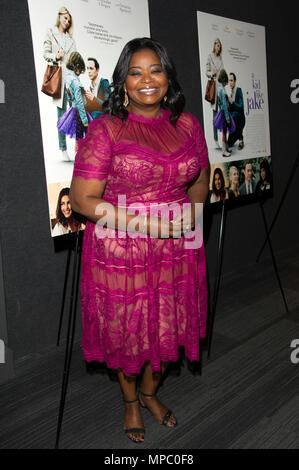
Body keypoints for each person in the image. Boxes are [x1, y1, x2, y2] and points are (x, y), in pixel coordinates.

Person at [70, 37, 209, 444]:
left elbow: (200, 179)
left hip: (177, 248)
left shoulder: (187, 124)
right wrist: (155, 225)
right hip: (121, 250)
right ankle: (131, 400)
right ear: (123, 81)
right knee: (129, 334)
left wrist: (193, 221)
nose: (147, 79)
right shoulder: (106, 128)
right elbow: (81, 200)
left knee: (168, 327)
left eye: (155, 70)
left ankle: (150, 393)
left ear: (168, 77)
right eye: (136, 72)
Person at [43, 6, 76, 162]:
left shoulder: (71, 39)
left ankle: (79, 147)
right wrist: (56, 56)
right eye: (65, 18)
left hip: (71, 80)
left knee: (77, 112)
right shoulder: (51, 32)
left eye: (69, 19)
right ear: (60, 16)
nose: (67, 21)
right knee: (62, 116)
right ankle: (63, 149)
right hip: (59, 79)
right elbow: (45, 53)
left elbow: (75, 58)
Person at [57, 52, 92, 151]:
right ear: (77, 67)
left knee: (79, 136)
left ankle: (78, 156)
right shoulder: (76, 82)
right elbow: (80, 102)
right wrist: (85, 120)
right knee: (87, 136)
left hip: (73, 110)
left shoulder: (68, 79)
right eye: (81, 69)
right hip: (81, 113)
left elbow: (69, 97)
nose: (81, 72)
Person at [206, 38, 224, 149]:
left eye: (219, 45)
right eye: (217, 45)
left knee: (223, 115)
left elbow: (223, 72)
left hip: (221, 89)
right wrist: (212, 73)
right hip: (214, 89)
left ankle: (223, 140)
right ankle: (215, 139)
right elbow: (206, 71)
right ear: (214, 46)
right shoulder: (210, 57)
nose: (218, 47)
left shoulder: (221, 58)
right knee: (215, 116)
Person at [214, 69, 232, 157]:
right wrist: (227, 117)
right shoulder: (222, 89)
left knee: (226, 131)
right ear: (224, 79)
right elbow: (224, 105)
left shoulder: (220, 88)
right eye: (226, 81)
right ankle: (224, 151)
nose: (227, 83)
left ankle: (227, 148)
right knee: (225, 131)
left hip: (223, 112)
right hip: (225, 113)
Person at [227, 73, 246, 151]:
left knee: (234, 115)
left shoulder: (238, 90)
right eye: (229, 81)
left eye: (231, 80)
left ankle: (241, 139)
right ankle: (238, 137)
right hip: (233, 121)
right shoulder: (231, 94)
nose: (230, 82)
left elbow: (241, 106)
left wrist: (232, 102)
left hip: (240, 120)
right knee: (229, 144)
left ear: (235, 81)